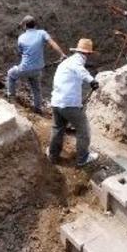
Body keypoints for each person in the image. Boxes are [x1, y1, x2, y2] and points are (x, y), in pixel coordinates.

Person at [48, 38, 99, 167]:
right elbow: (81, 71)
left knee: (58, 129)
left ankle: (53, 155)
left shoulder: (67, 62)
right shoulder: (77, 62)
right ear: (87, 54)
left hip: (56, 101)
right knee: (84, 130)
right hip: (69, 104)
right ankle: (83, 158)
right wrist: (92, 81)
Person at [6, 15, 67, 114]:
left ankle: (11, 97)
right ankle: (38, 108)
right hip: (38, 69)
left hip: (25, 68)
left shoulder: (21, 38)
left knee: (10, 74)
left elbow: (21, 53)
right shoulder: (42, 33)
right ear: (35, 25)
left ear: (25, 26)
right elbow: (52, 43)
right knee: (36, 89)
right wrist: (62, 54)